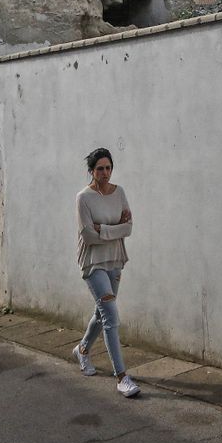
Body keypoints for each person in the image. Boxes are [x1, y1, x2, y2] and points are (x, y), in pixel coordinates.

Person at [73, 147, 139, 398]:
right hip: (93, 263)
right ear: (91, 171)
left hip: (115, 259)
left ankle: (82, 349)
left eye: (108, 168)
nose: (105, 173)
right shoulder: (83, 198)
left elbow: (129, 228)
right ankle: (121, 377)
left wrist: (104, 228)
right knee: (111, 316)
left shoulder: (119, 192)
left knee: (101, 314)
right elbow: (88, 236)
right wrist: (115, 228)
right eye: (100, 168)